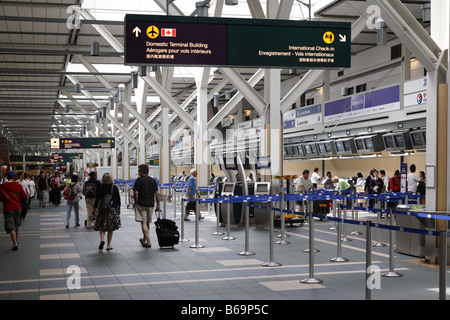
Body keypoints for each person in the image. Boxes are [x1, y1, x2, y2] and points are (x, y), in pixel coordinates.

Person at [133, 164, 160, 248]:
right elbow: (157, 193)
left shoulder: (138, 180)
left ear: (141, 171)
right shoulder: (153, 180)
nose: (138, 172)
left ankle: (148, 241)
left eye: (138, 170)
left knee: (143, 223)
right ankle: (144, 239)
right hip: (151, 204)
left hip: (141, 204)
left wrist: (135, 202)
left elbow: (135, 192)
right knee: (147, 222)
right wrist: (158, 204)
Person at [0, 171, 27, 250]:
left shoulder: (2, 186)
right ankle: (16, 241)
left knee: (10, 226)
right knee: (16, 225)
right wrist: (18, 200)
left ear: (7, 177)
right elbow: (24, 196)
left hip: (8, 208)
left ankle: (15, 243)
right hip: (17, 207)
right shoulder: (18, 185)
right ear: (15, 177)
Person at [94, 173, 121, 251]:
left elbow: (97, 199)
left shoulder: (100, 188)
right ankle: (108, 245)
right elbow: (118, 199)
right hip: (112, 209)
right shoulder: (114, 188)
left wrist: (94, 208)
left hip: (102, 209)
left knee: (102, 226)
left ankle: (102, 240)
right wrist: (119, 208)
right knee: (110, 228)